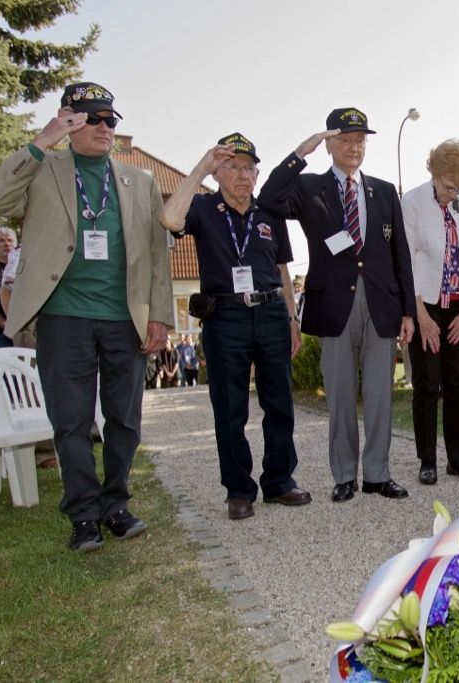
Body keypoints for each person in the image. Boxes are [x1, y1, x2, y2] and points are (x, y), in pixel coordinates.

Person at [0, 81, 173, 552]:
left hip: (124, 317)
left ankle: (116, 504)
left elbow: (156, 254)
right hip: (63, 316)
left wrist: (161, 316)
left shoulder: (140, 181)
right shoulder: (43, 169)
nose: (105, 127)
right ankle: (83, 514)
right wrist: (42, 141)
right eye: (92, 119)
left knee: (125, 420)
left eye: (110, 120)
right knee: (71, 421)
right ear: (69, 122)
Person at [258, 108, 416, 503]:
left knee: (380, 397)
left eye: (360, 140)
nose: (354, 147)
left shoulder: (383, 191)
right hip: (333, 306)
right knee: (341, 397)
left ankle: (378, 474)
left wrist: (408, 311)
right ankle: (344, 475)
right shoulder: (309, 187)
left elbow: (400, 254)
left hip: (381, 306)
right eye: (344, 140)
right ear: (329, 144)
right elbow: (269, 199)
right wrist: (301, 152)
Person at [160, 132, 311, 519]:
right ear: (217, 172)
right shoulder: (202, 208)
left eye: (249, 168)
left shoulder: (270, 212)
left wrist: (292, 318)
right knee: (229, 409)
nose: (243, 175)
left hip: (271, 312)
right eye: (232, 166)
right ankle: (239, 490)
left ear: (257, 174)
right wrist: (201, 168)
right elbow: (169, 218)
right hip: (225, 317)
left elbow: (282, 269)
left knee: (279, 403)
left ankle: (280, 481)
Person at [401, 139, 459, 485]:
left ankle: (457, 459)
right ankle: (427, 461)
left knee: (458, 383)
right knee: (427, 383)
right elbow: (406, 261)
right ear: (435, 174)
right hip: (425, 305)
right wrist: (420, 316)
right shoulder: (412, 202)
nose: (454, 194)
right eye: (449, 186)